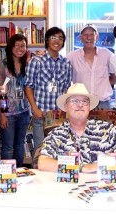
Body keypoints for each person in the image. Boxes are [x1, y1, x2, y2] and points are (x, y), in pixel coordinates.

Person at [38, 83, 116, 172]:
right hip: (67, 189)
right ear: (66, 107)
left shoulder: (105, 129)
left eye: (84, 101)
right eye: (74, 101)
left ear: (89, 107)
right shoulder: (57, 133)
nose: (80, 105)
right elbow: (42, 162)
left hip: (102, 188)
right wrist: (82, 168)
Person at [25, 27, 73, 156]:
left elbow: (67, 88)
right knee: (41, 149)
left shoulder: (66, 63)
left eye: (60, 38)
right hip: (41, 113)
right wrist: (34, 109)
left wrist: (67, 110)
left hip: (59, 115)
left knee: (60, 149)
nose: (57, 41)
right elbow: (28, 86)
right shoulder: (36, 61)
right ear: (47, 40)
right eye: (53, 37)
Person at [0, 34, 30, 167]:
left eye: (23, 45)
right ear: (10, 47)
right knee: (8, 147)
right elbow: (0, 92)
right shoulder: (1, 65)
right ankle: (7, 177)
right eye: (16, 45)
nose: (20, 48)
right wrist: (3, 114)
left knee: (20, 146)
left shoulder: (27, 65)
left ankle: (19, 174)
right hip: (7, 114)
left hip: (24, 112)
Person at [67, 24, 116, 109]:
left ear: (97, 37)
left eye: (91, 34)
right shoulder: (72, 56)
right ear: (80, 38)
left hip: (103, 104)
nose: (88, 37)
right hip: (81, 104)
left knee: (106, 123)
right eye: (85, 35)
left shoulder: (107, 54)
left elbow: (114, 78)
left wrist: (104, 84)